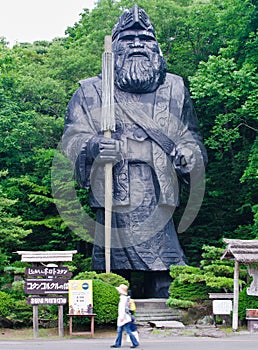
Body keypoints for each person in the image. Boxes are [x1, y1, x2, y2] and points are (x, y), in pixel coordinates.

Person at [62, 5, 207, 297]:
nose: (139, 44)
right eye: (129, 38)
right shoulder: (91, 91)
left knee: (162, 265)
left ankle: (162, 287)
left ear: (157, 47)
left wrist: (188, 153)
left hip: (158, 189)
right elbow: (71, 137)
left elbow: (191, 135)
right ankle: (111, 296)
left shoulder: (175, 88)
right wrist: (92, 147)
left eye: (146, 38)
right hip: (114, 187)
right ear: (114, 47)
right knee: (113, 261)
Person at [111, 284, 139, 348]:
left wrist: (121, 317)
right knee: (120, 331)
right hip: (125, 317)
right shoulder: (125, 298)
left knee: (127, 331)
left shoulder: (123, 299)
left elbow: (122, 309)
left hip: (124, 318)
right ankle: (118, 343)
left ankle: (135, 343)